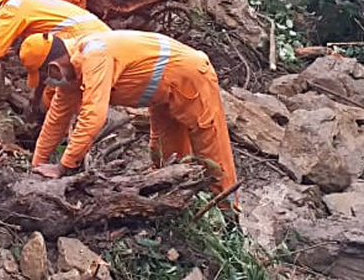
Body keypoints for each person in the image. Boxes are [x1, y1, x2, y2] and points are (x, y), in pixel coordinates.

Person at [20, 30, 237, 203]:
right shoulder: (71, 75)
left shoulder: (94, 55)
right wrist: (37, 165)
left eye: (45, 78)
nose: (48, 85)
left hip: (190, 78)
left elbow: (93, 115)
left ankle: (227, 212)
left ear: (54, 68)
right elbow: (56, 118)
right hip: (162, 95)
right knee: (164, 155)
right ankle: (178, 205)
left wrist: (63, 167)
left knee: (212, 150)